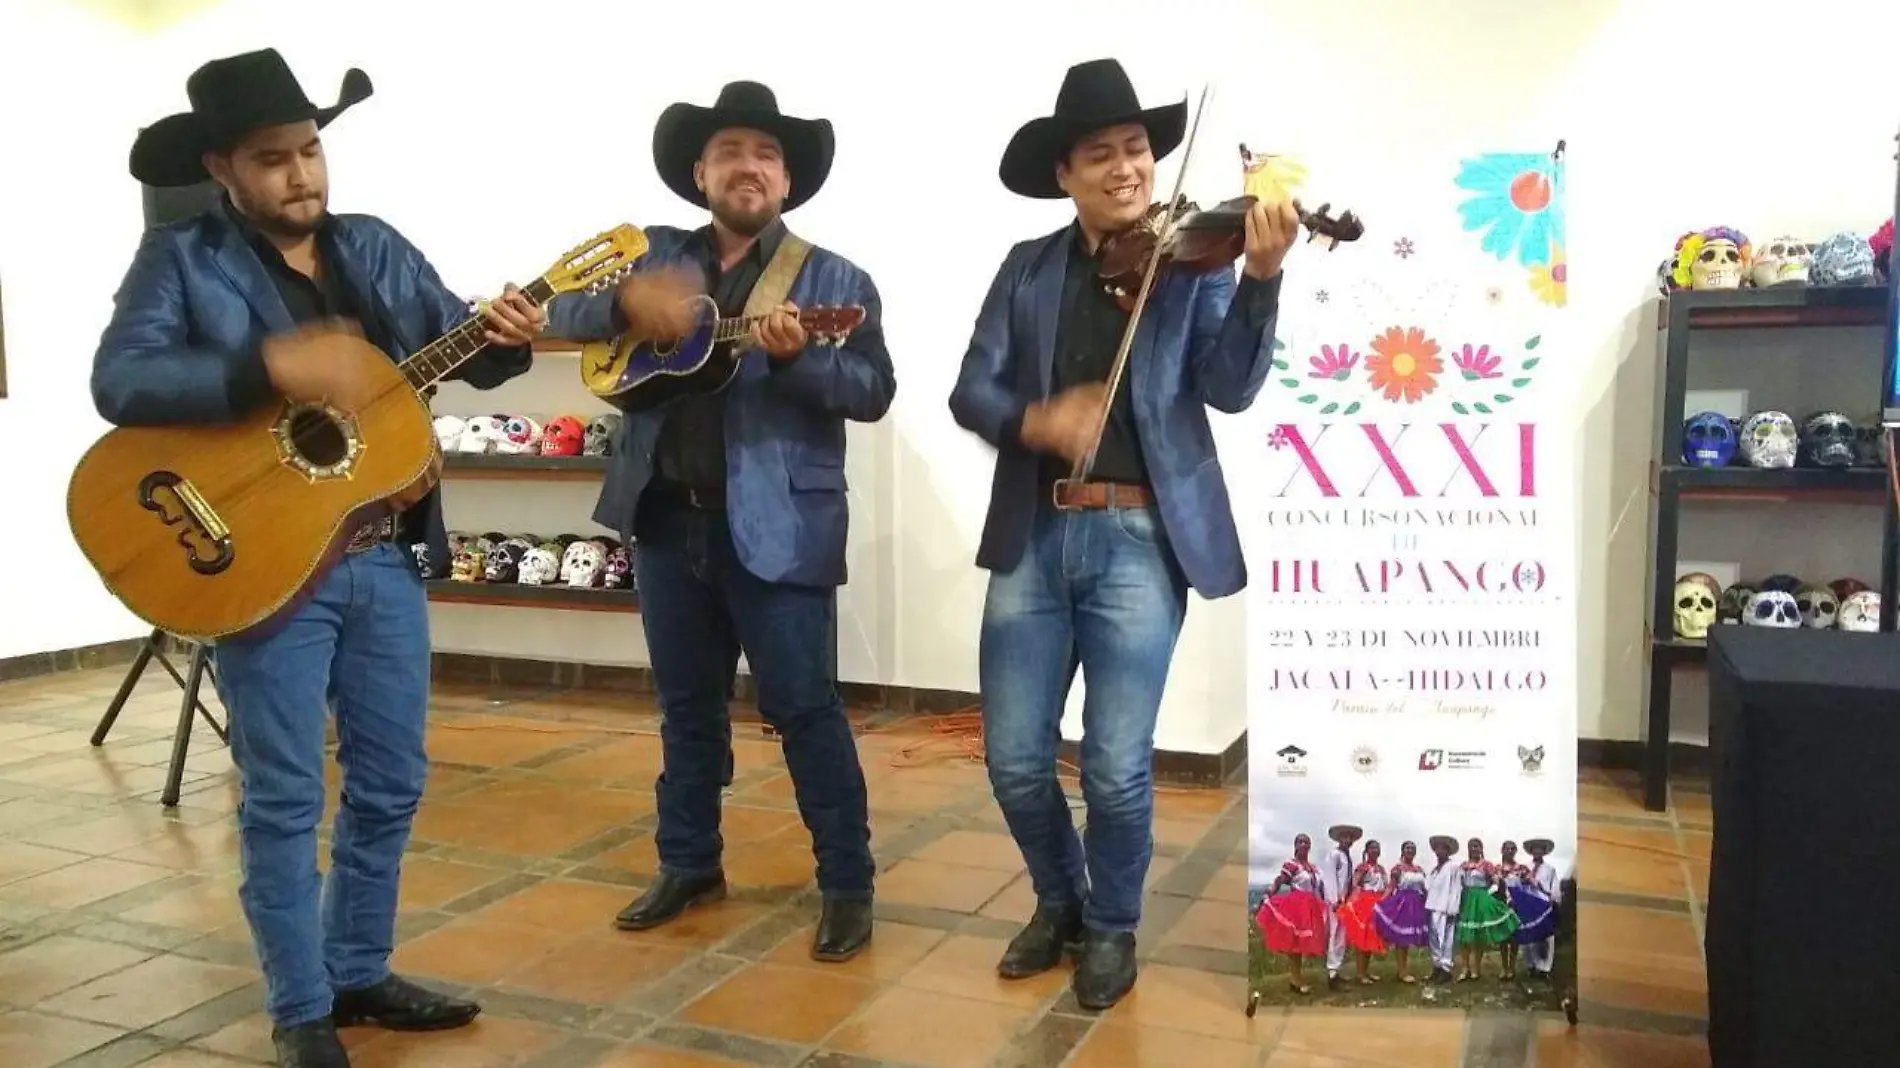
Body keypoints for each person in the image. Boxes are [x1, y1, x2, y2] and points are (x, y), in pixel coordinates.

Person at [93, 50, 542, 1068]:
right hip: (264, 566)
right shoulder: (182, 259)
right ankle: (301, 1010)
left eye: (310, 151)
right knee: (286, 793)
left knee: (390, 781)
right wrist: (265, 366)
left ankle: (357, 970)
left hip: (380, 553)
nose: (301, 174)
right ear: (221, 166)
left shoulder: (374, 249)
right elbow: (122, 380)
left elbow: (453, 337)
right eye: (273, 158)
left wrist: (508, 337)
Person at [948, 57, 1295, 1010]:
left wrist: (1260, 279)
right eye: (1098, 154)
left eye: (1137, 148)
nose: (1125, 168)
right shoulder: (1025, 270)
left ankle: (1112, 929)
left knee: (1112, 762)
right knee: (1015, 759)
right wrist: (1036, 421)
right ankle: (1059, 902)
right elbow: (969, 389)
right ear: (1064, 175)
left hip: (1142, 540)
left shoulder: (1196, 264)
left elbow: (1228, 386)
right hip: (1033, 535)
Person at [545, 80, 892, 961]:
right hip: (666, 522)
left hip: (781, 531)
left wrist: (802, 357)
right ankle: (689, 862)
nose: (750, 166)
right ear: (700, 171)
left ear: (787, 180)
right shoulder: (655, 254)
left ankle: (847, 883)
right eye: (732, 151)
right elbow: (564, 308)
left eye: (767, 154)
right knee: (685, 710)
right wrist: (628, 305)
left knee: (805, 709)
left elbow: (872, 390)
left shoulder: (833, 279)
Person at [1254, 834, 1327, 995]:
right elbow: (1280, 880)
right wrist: (1268, 894)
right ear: (1295, 845)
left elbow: (1318, 888)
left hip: (1311, 906)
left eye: (1307, 842)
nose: (1304, 845)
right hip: (1297, 906)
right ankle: (1295, 980)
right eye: (1300, 842)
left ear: (1310, 846)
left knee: (1301, 945)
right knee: (1295, 945)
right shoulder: (1292, 865)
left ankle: (1298, 978)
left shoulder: (1313, 867)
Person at [1320, 823, 1360, 990]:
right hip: (1336, 902)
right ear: (1339, 839)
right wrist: (1335, 900)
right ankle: (1332, 973)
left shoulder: (1346, 857)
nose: (1348, 840)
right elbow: (1329, 878)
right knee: (1335, 935)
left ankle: (1336, 969)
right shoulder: (1334, 855)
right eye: (1345, 837)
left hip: (1344, 901)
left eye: (1350, 837)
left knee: (1341, 937)